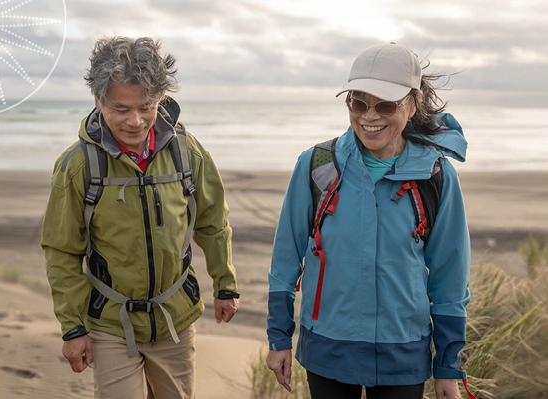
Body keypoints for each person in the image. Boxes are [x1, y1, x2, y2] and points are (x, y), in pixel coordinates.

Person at [266, 43, 471, 399]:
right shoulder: (316, 165)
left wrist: (448, 366)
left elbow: (450, 277)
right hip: (328, 346)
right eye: (358, 102)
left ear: (413, 102)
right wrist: (279, 337)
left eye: (385, 104)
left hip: (402, 352)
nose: (369, 116)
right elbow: (285, 258)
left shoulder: (436, 175)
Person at [41, 36, 240, 398]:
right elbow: (61, 251)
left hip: (175, 317)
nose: (136, 120)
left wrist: (225, 283)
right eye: (121, 108)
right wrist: (73, 328)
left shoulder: (187, 151)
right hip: (110, 324)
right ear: (98, 101)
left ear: (159, 100)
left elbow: (213, 221)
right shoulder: (77, 167)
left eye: (146, 106)